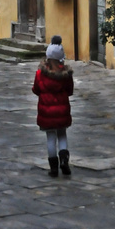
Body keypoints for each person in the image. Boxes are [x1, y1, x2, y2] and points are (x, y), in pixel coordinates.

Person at [32, 35, 74, 177]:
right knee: (62, 134)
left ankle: (54, 168)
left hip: (46, 111)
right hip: (62, 110)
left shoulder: (40, 73)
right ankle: (64, 160)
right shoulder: (66, 74)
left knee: (50, 137)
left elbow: (36, 89)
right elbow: (70, 91)